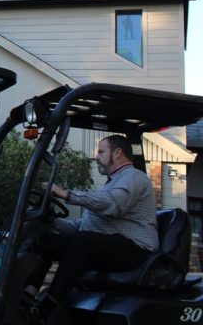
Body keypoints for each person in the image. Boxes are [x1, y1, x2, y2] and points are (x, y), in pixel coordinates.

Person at [25, 134, 159, 324]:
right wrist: (51, 223)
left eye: (101, 152)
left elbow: (113, 203)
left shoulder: (134, 177)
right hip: (113, 245)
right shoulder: (112, 184)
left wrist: (66, 194)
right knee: (46, 239)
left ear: (118, 153)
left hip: (135, 250)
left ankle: (45, 310)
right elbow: (85, 225)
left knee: (84, 242)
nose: (97, 157)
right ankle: (27, 295)